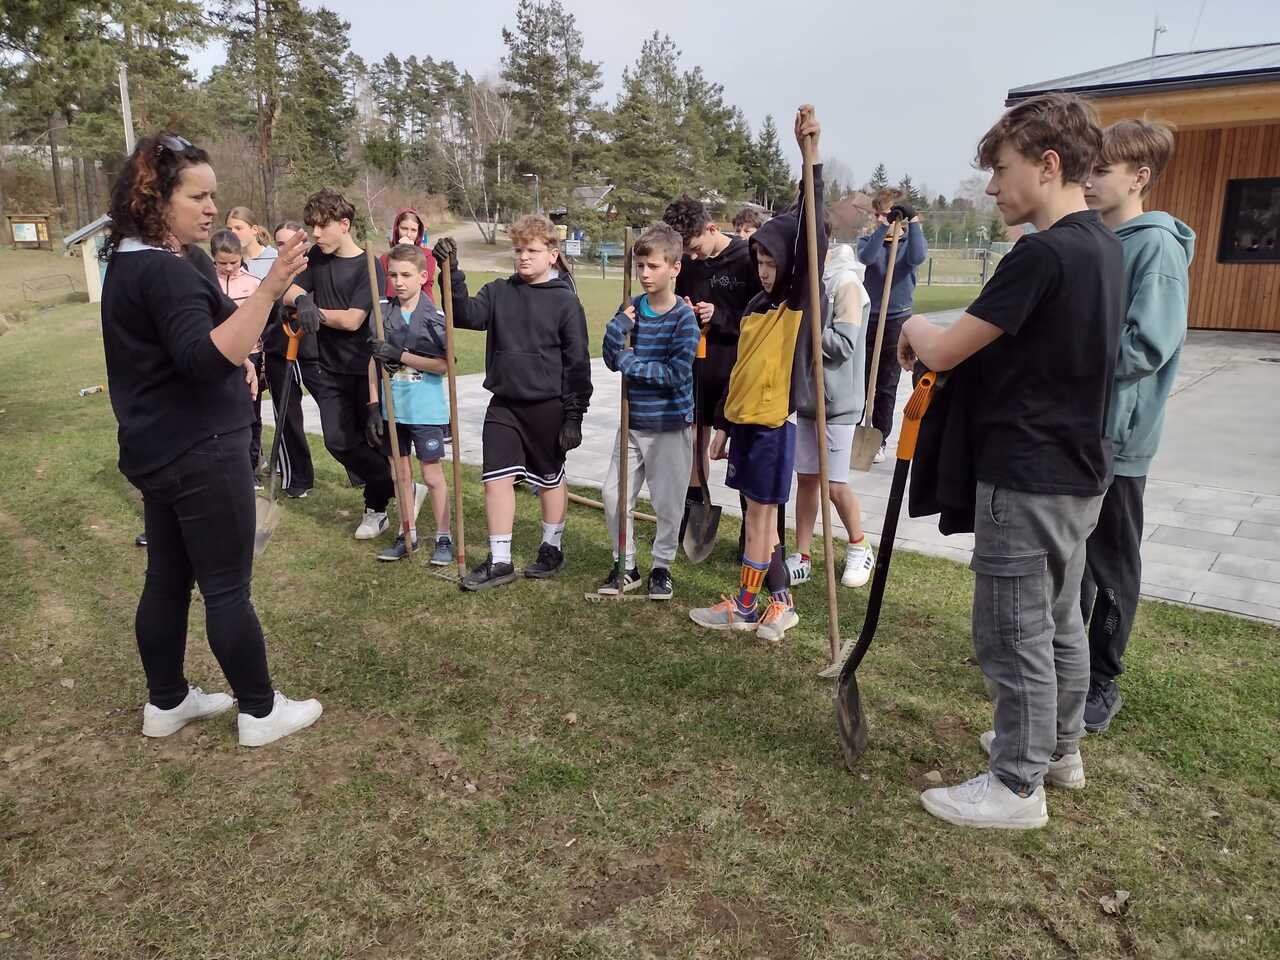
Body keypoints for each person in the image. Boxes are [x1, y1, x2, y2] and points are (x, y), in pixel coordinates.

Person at [898, 93, 1124, 829]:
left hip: (1028, 472)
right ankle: (1058, 751)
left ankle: (1016, 785)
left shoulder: (1043, 254)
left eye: (1001, 170)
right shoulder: (1103, 247)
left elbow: (944, 349)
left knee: (1013, 629)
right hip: (1078, 470)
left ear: (1048, 165)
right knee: (1058, 619)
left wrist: (912, 323)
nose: (992, 187)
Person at [99, 132, 321, 747]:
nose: (211, 208)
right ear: (155, 198)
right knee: (226, 587)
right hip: (200, 448)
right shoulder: (162, 272)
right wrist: (270, 290)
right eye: (197, 196)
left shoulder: (139, 261)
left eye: (213, 196)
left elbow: (203, 334)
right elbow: (202, 359)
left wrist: (241, 350)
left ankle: (167, 701)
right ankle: (260, 711)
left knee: (168, 578)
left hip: (158, 447)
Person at [688, 105, 825, 643]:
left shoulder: (795, 304)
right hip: (744, 424)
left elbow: (810, 232)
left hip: (773, 426)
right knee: (754, 518)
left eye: (773, 264)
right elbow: (740, 373)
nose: (765, 272)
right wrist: (723, 425)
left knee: (765, 518)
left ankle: (773, 605)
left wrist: (809, 159)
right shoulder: (753, 307)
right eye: (760, 263)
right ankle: (750, 603)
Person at [1080, 119, 1194, 733]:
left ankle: (1102, 679)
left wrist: (1067, 352)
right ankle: (1065, 663)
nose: (1088, 180)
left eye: (1101, 170)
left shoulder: (1157, 249)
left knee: (1111, 561)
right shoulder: (1096, 239)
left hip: (1119, 440)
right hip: (1077, 430)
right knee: (1071, 557)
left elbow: (1146, 346)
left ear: (1139, 177)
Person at [434, 214, 593, 591]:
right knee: (496, 480)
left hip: (548, 407)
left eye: (532, 250)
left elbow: (577, 363)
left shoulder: (566, 303)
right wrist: (450, 271)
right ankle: (500, 560)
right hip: (504, 405)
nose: (523, 256)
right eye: (519, 249)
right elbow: (464, 314)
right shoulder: (498, 291)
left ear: (552, 254)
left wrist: (574, 416)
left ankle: (551, 548)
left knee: (549, 479)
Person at [284, 188, 406, 540]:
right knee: (337, 442)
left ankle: (376, 509)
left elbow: (353, 320)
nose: (315, 234)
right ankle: (401, 484)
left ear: (344, 224)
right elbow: (288, 289)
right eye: (312, 226)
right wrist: (303, 300)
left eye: (322, 226)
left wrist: (316, 313)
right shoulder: (317, 257)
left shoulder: (370, 266)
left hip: (366, 370)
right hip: (329, 368)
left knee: (372, 440)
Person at [598, 223, 699, 600]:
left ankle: (661, 567)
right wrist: (617, 327)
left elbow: (675, 374)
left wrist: (630, 362)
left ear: (674, 268)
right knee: (613, 495)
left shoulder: (683, 318)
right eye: (639, 266)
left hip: (669, 424)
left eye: (653, 266)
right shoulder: (630, 309)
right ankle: (625, 565)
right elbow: (610, 357)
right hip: (632, 422)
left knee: (667, 503)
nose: (644, 273)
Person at [663, 195, 761, 550]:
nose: (691, 258)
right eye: (685, 252)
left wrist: (719, 316)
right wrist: (686, 312)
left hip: (738, 368)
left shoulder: (748, 258)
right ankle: (693, 511)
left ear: (711, 228)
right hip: (698, 365)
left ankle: (753, 532)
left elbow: (760, 319)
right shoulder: (690, 263)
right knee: (694, 441)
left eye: (694, 248)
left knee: (743, 449)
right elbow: (679, 303)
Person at [787, 216, 875, 590]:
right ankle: (802, 555)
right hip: (807, 398)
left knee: (834, 484)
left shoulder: (845, 284)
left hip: (837, 402)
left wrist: (805, 327)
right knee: (806, 479)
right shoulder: (803, 281)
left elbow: (844, 345)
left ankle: (860, 545)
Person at [366, 244, 455, 565]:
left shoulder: (435, 317)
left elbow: (444, 365)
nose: (399, 282)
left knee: (432, 476)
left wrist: (401, 355)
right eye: (393, 275)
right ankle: (407, 533)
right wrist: (373, 404)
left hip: (425, 411)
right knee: (399, 475)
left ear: (423, 276)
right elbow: (373, 361)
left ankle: (444, 537)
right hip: (393, 410)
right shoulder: (382, 313)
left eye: (405, 275)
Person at [858, 189, 928, 463]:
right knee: (862, 379)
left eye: (887, 214)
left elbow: (918, 258)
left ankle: (880, 438)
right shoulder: (869, 240)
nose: (882, 219)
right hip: (870, 316)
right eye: (879, 214)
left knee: (886, 383)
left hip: (897, 318)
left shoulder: (909, 243)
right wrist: (883, 228)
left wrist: (914, 222)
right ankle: (855, 430)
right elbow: (866, 257)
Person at [258, 220, 316, 498]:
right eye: (280, 243)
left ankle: (361, 473)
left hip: (314, 352)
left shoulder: (315, 270)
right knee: (287, 417)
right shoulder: (272, 275)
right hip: (279, 352)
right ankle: (297, 478)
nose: (287, 248)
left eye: (292, 242)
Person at [210, 228, 267, 480]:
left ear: (240, 256)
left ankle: (251, 469)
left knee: (251, 414)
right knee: (221, 415)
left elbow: (263, 321)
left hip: (251, 356)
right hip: (217, 357)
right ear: (213, 258)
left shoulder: (253, 283)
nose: (228, 268)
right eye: (222, 263)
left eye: (233, 262)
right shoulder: (207, 283)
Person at [378, 208, 437, 303]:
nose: (409, 234)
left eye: (413, 230)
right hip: (391, 307)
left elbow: (423, 285)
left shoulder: (428, 256)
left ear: (418, 233)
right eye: (404, 229)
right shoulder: (385, 258)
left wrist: (410, 252)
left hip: (422, 306)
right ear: (397, 230)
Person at [225, 206, 279, 281]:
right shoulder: (224, 262)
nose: (233, 233)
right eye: (229, 229)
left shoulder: (275, 259)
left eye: (238, 228)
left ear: (254, 230)